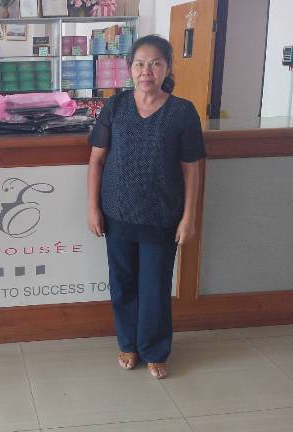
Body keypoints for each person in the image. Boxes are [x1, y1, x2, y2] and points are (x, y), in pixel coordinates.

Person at [87, 35, 205, 379]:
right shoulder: (116, 106)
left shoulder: (182, 112)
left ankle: (154, 350)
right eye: (139, 64)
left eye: (155, 63)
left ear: (168, 68)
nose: (146, 71)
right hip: (117, 212)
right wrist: (93, 208)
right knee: (123, 284)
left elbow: (192, 169)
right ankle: (128, 344)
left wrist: (188, 218)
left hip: (162, 215)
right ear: (129, 68)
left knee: (155, 287)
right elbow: (96, 161)